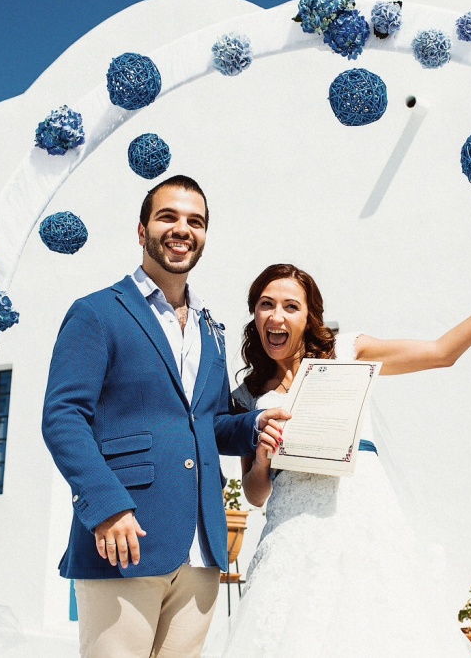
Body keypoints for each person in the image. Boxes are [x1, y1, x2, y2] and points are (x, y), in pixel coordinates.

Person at [221, 250, 471, 657]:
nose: (277, 316)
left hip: (363, 523)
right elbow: (255, 494)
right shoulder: (246, 397)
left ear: (309, 317)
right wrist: (262, 456)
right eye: (266, 304)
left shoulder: (348, 352)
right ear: (255, 314)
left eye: (291, 306)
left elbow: (442, 352)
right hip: (292, 538)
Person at [41, 174, 288, 658]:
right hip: (124, 538)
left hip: (202, 548)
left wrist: (253, 425)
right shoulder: (96, 313)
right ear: (142, 231)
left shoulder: (211, 329)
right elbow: (63, 417)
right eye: (168, 217)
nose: (182, 229)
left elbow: (209, 423)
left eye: (195, 221)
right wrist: (106, 506)